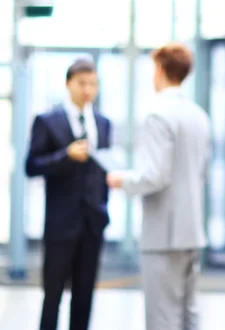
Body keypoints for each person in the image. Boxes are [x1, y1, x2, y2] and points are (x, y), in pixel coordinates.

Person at [106, 42, 211, 330]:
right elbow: (200, 171)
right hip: (191, 231)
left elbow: (155, 176)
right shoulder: (198, 115)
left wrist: (121, 180)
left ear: (160, 69)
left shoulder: (157, 114)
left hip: (163, 234)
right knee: (189, 313)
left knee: (162, 317)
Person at [25, 59, 112, 330]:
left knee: (85, 296)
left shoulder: (103, 122)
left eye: (93, 84)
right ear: (68, 84)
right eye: (82, 83)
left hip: (93, 224)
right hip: (61, 225)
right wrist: (65, 156)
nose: (88, 90)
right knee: (53, 296)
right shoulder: (47, 121)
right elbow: (32, 166)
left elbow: (103, 169)